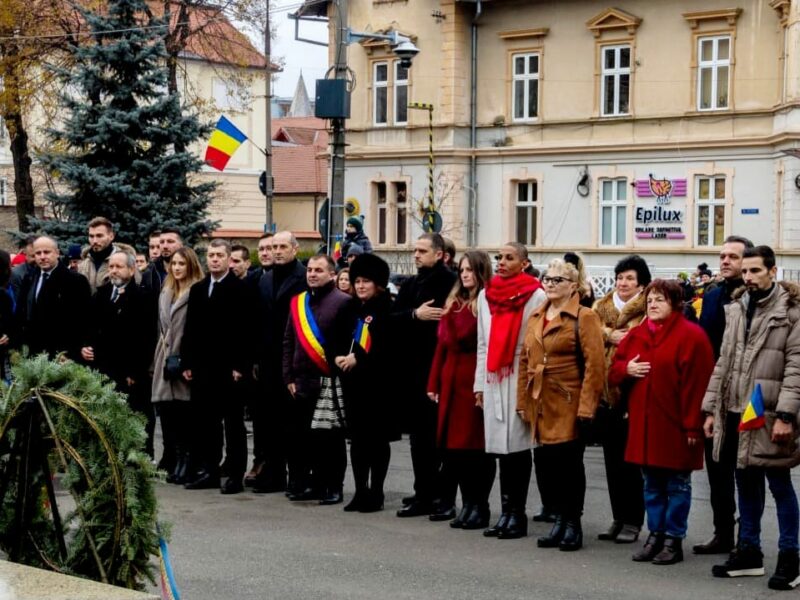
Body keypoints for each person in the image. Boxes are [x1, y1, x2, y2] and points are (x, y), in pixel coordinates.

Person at [703, 245, 800, 590]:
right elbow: (723, 362)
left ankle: (791, 556)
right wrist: (711, 408)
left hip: (771, 412)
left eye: (755, 271)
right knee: (745, 481)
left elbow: (795, 367)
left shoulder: (791, 312)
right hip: (735, 411)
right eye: (745, 271)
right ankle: (750, 552)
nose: (748, 277)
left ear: (773, 272)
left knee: (779, 484)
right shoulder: (736, 308)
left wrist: (786, 414)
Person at [608, 279, 714, 565]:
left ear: (676, 304)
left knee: (677, 485)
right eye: (650, 300)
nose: (653, 304)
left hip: (677, 425)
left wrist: (693, 425)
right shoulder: (638, 333)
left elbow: (698, 386)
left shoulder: (692, 337)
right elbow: (614, 370)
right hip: (644, 424)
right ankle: (654, 535)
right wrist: (626, 369)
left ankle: (673, 539)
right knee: (651, 484)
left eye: (660, 300)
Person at [516, 258, 605, 551]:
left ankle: (572, 524)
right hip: (541, 401)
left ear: (573, 286)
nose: (551, 284)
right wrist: (522, 401)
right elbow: (525, 361)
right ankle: (558, 521)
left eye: (558, 280)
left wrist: (586, 407)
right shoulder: (536, 315)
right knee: (549, 465)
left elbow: (595, 366)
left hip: (569, 401)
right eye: (548, 279)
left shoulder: (584, 316)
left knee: (569, 466)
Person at [475, 242, 546, 539]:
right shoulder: (485, 294)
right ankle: (505, 512)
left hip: (519, 370)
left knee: (517, 447)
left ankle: (518, 514)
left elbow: (536, 342)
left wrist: (531, 385)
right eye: (499, 257)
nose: (502, 262)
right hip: (494, 373)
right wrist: (479, 383)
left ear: (524, 263)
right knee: (499, 450)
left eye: (509, 257)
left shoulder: (536, 294)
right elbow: (482, 342)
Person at [695, 235, 755, 555]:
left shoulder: (754, 299)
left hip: (747, 398)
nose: (725, 261)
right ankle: (723, 532)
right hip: (716, 396)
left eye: (733, 256)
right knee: (717, 470)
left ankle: (749, 537)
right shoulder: (713, 295)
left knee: (746, 473)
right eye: (722, 256)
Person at [427, 251, 495, 530]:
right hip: (451, 378)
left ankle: (480, 505)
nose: (465, 274)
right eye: (462, 270)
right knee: (454, 448)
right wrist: (433, 382)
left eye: (470, 270)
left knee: (475, 448)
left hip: (473, 377)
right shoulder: (454, 303)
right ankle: (467, 503)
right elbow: (442, 346)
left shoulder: (488, 302)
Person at [392, 233, 457, 518]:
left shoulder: (451, 284)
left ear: (440, 254)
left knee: (440, 439)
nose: (416, 255)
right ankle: (423, 491)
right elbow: (390, 320)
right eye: (414, 250)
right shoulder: (411, 283)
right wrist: (414, 316)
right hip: (413, 371)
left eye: (422, 251)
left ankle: (441, 495)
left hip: (440, 370)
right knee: (419, 439)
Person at [181, 240, 253, 494]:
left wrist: (240, 366)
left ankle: (235, 475)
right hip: (202, 367)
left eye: (220, 256)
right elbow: (190, 329)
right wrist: (187, 361)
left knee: (233, 424)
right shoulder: (199, 289)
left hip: (229, 368)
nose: (214, 260)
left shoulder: (241, 289)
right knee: (206, 423)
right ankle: (210, 471)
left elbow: (246, 331)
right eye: (210, 255)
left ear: (228, 259)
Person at [283, 254, 352, 504]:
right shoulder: (298, 302)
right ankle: (312, 483)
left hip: (328, 380)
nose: (312, 274)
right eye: (310, 270)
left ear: (332, 274)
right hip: (300, 380)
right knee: (304, 438)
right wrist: (288, 375)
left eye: (319, 270)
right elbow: (289, 341)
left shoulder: (343, 302)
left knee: (330, 439)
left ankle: (333, 485)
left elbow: (347, 342)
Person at [592, 255, 651, 544]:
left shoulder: (648, 307)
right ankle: (618, 516)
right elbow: (588, 330)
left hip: (632, 392)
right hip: (604, 393)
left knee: (631, 464)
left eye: (629, 278)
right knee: (612, 462)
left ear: (641, 283)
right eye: (620, 278)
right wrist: (609, 333)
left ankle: (633, 520)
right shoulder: (601, 307)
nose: (623, 283)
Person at [336, 254, 399, 512]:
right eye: (357, 281)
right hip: (354, 385)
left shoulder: (387, 307)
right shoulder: (350, 308)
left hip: (379, 385)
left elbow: (385, 345)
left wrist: (358, 358)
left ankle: (377, 491)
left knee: (377, 440)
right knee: (358, 440)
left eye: (367, 281)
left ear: (378, 284)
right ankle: (360, 490)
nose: (361, 286)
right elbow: (337, 336)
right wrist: (338, 356)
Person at [81, 251, 157, 456]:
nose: (113, 271)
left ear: (132, 270)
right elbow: (90, 326)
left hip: (130, 371)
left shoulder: (143, 297)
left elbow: (146, 338)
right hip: (103, 368)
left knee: (136, 414)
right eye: (111, 266)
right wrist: (85, 346)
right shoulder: (102, 294)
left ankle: (142, 455)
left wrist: (136, 371)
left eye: (119, 267)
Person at [252, 231, 307, 494]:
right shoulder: (264, 279)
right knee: (268, 421)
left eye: (283, 246)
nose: (277, 251)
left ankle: (298, 476)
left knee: (293, 423)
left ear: (295, 249)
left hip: (294, 358)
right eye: (274, 247)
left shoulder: (303, 278)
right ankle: (273, 474)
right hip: (267, 360)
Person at [151, 247, 204, 484]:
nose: (177, 268)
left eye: (182, 263)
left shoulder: (197, 291)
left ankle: (188, 461)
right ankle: (176, 459)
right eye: (174, 264)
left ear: (190, 265)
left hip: (184, 358)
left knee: (186, 415)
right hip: (165, 356)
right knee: (168, 414)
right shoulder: (166, 291)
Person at [18, 236, 91, 361]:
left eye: (46, 252)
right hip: (34, 354)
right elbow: (22, 312)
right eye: (38, 253)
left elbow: (82, 320)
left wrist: (70, 352)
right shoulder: (29, 278)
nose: (42, 256)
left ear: (57, 253)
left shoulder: (76, 281)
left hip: (62, 355)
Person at [77, 216, 139, 294]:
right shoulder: (83, 265)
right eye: (91, 236)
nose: (95, 241)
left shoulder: (125, 262)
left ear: (111, 236)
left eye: (99, 236)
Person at [141, 228, 183, 295]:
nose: (165, 246)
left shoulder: (191, 271)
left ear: (181, 245)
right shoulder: (149, 273)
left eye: (170, 241)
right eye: (162, 242)